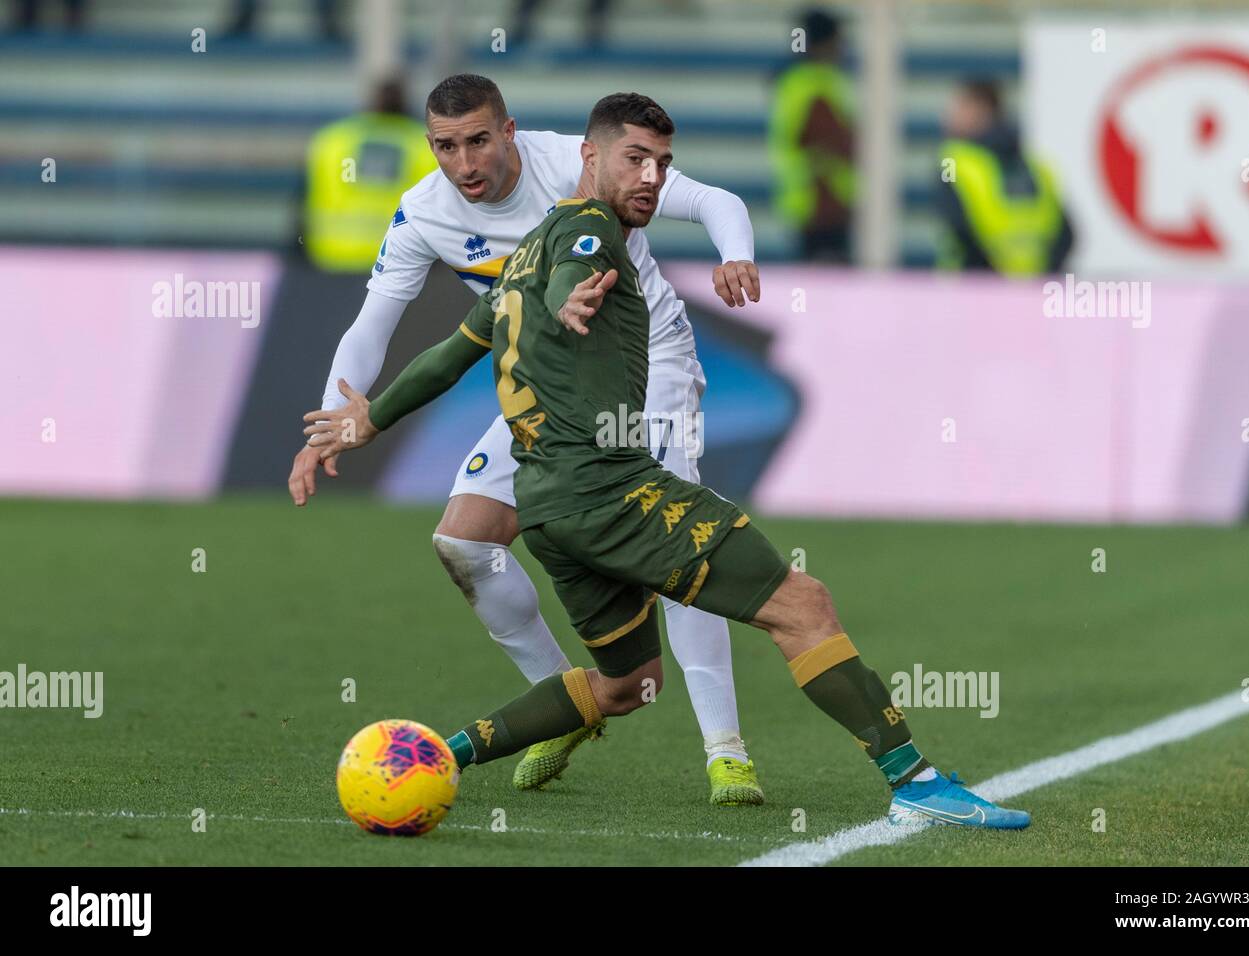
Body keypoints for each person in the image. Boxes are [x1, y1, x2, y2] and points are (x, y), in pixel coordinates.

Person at [303, 93, 1032, 831]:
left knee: (627, 683)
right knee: (802, 604)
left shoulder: (520, 250)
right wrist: (568, 302)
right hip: (609, 487)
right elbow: (573, 269)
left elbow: (445, 356)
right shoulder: (586, 228)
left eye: (662, 165)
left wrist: (366, 420)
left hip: (548, 503)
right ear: (587, 160)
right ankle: (914, 779)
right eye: (636, 162)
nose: (651, 179)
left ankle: (437, 756)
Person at [289, 74, 768, 806]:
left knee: (677, 548)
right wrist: (329, 423)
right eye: (447, 147)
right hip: (546, 380)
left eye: (479, 140)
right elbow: (372, 325)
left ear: (509, 133)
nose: (466, 163)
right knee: (463, 542)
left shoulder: (571, 163)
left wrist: (734, 252)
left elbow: (711, 200)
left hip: (649, 365)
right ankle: (565, 705)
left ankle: (726, 750)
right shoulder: (422, 212)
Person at [934, 78, 1074, 275]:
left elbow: (955, 223)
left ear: (981, 110)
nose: (948, 116)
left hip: (971, 289)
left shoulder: (951, 161)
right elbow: (1067, 236)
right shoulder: (1037, 167)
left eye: (959, 107)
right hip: (1033, 289)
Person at [302, 78, 437, 273]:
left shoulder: (332, 140)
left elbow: (303, 203)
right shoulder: (427, 146)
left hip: (333, 256)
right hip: (401, 262)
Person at [768, 7, 856, 263]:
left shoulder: (793, 82)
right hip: (824, 203)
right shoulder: (817, 85)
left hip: (805, 201)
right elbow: (834, 143)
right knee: (828, 283)